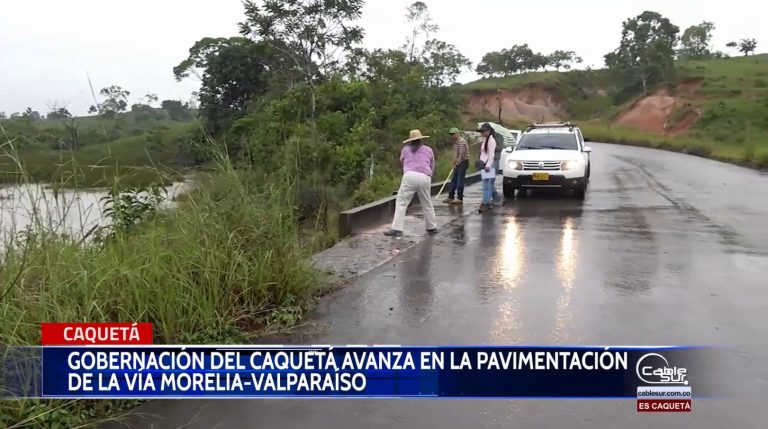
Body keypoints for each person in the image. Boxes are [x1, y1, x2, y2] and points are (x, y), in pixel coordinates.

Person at [384, 130, 439, 237]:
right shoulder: (428, 150)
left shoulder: (405, 150)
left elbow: (402, 160)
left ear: (410, 141)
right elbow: (432, 165)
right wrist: (429, 176)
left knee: (401, 202)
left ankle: (397, 228)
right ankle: (432, 227)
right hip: (425, 176)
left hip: (410, 175)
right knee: (426, 202)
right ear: (421, 139)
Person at [443, 127, 469, 205]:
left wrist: (457, 163)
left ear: (457, 133)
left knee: (459, 180)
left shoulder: (461, 141)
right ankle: (451, 196)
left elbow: (461, 154)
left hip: (463, 162)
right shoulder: (455, 142)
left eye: (453, 134)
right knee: (453, 179)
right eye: (451, 134)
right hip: (458, 162)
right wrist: (453, 162)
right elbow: (455, 153)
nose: (452, 136)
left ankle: (460, 198)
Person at [477, 123, 497, 212]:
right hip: (484, 164)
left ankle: (485, 203)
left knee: (486, 185)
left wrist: (488, 165)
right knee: (487, 185)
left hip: (488, 165)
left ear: (488, 131)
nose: (482, 133)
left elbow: (491, 154)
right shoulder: (486, 140)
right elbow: (484, 153)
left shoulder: (491, 141)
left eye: (483, 131)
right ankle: (488, 201)